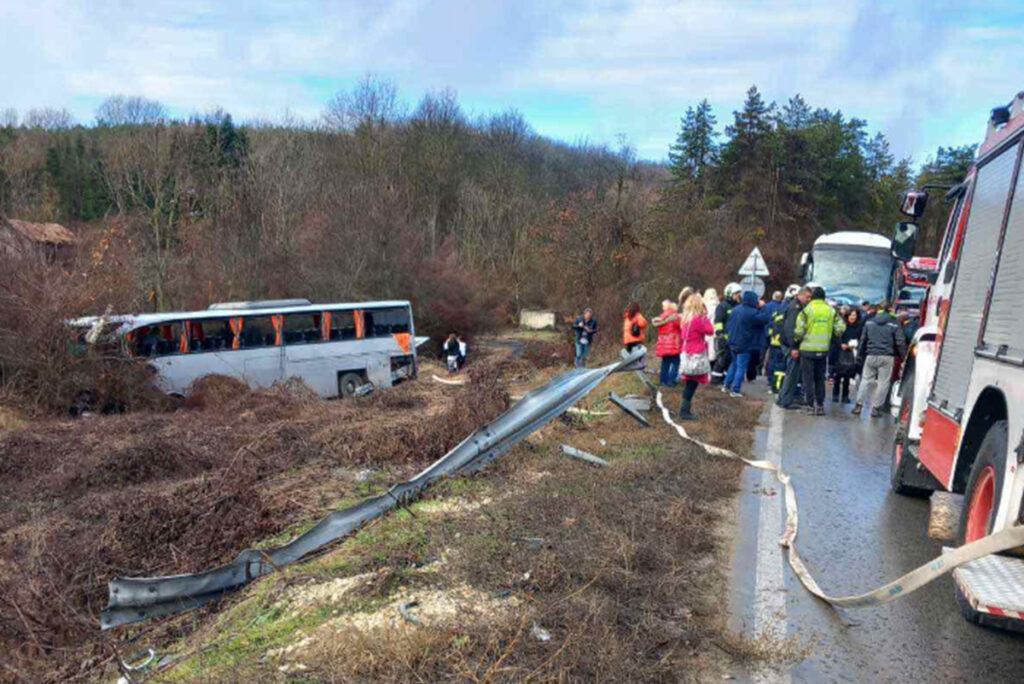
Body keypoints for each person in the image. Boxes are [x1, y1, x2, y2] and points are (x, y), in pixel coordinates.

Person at [794, 287, 846, 415]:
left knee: (808, 379)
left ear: (812, 297)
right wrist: (833, 335)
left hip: (807, 349)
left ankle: (810, 406)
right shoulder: (831, 311)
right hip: (823, 350)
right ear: (824, 297)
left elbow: (799, 330)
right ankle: (820, 406)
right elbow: (841, 327)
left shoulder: (806, 311)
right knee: (819, 378)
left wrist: (796, 340)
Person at [853, 303, 907, 417]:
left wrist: (859, 355)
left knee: (866, 380)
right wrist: (904, 358)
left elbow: (863, 340)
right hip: (887, 357)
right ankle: (876, 409)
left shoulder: (869, 322)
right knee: (883, 382)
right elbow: (900, 342)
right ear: (890, 310)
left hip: (870, 355)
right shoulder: (894, 324)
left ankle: (858, 406)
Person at [723, 291, 772, 397]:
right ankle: (735, 390)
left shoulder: (735, 310)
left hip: (733, 342)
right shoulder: (752, 312)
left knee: (734, 365)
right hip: (744, 344)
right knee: (741, 367)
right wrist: (764, 307)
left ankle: (726, 385)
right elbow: (766, 318)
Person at [677, 293, 715, 420]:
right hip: (696, 353)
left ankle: (685, 410)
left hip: (687, 352)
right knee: (692, 384)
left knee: (690, 383)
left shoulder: (685, 319)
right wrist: (705, 316)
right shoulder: (698, 320)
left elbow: (683, 337)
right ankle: (684, 412)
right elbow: (710, 330)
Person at [777, 286, 812, 409]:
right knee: (792, 374)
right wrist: (794, 348)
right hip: (791, 346)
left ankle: (784, 398)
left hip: (790, 345)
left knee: (792, 373)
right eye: (807, 297)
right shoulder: (795, 308)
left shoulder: (797, 306)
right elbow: (790, 329)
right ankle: (785, 401)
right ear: (800, 295)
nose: (809, 299)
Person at [711, 282, 742, 384]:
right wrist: (720, 334)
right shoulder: (722, 306)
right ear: (730, 294)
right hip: (724, 339)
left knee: (729, 361)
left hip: (734, 339)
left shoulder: (738, 306)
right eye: (737, 294)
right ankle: (715, 380)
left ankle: (725, 380)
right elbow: (718, 321)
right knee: (721, 361)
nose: (739, 296)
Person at [832, 309, 863, 404]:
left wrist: (853, 345)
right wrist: (841, 344)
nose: (852, 317)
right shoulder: (842, 325)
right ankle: (835, 394)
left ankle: (845, 395)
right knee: (837, 374)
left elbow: (860, 339)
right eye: (851, 315)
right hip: (840, 351)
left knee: (847, 375)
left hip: (851, 353)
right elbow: (835, 337)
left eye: (854, 315)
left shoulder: (859, 327)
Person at [653, 299, 681, 386]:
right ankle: (671, 381)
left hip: (663, 343)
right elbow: (681, 327)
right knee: (676, 362)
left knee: (665, 362)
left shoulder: (661, 317)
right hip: (673, 343)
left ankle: (663, 381)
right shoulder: (676, 317)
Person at [702, 288, 720, 366]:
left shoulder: (704, 307)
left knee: (707, 352)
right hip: (716, 331)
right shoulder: (719, 306)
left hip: (706, 331)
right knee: (714, 352)